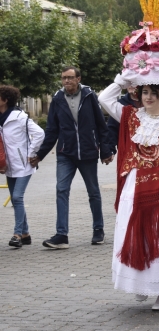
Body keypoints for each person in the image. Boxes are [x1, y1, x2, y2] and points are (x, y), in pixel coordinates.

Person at [99, 78, 159, 310]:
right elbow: (104, 99)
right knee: (135, 235)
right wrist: (123, 79)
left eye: (154, 92)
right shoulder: (132, 117)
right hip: (134, 185)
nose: (148, 97)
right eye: (144, 92)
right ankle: (140, 284)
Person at [33, 66, 114, 249]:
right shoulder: (57, 99)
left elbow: (101, 126)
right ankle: (61, 235)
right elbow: (52, 130)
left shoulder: (89, 95)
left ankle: (98, 230)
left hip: (88, 153)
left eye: (70, 78)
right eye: (63, 78)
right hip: (65, 153)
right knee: (61, 190)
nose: (66, 81)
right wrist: (40, 155)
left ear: (78, 78)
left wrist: (106, 151)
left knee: (93, 192)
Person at [0, 85, 45, 248]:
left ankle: (17, 234)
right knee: (16, 198)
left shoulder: (19, 117)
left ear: (5, 100)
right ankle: (26, 234)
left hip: (24, 164)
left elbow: (40, 133)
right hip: (9, 166)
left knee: (17, 197)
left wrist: (32, 153)